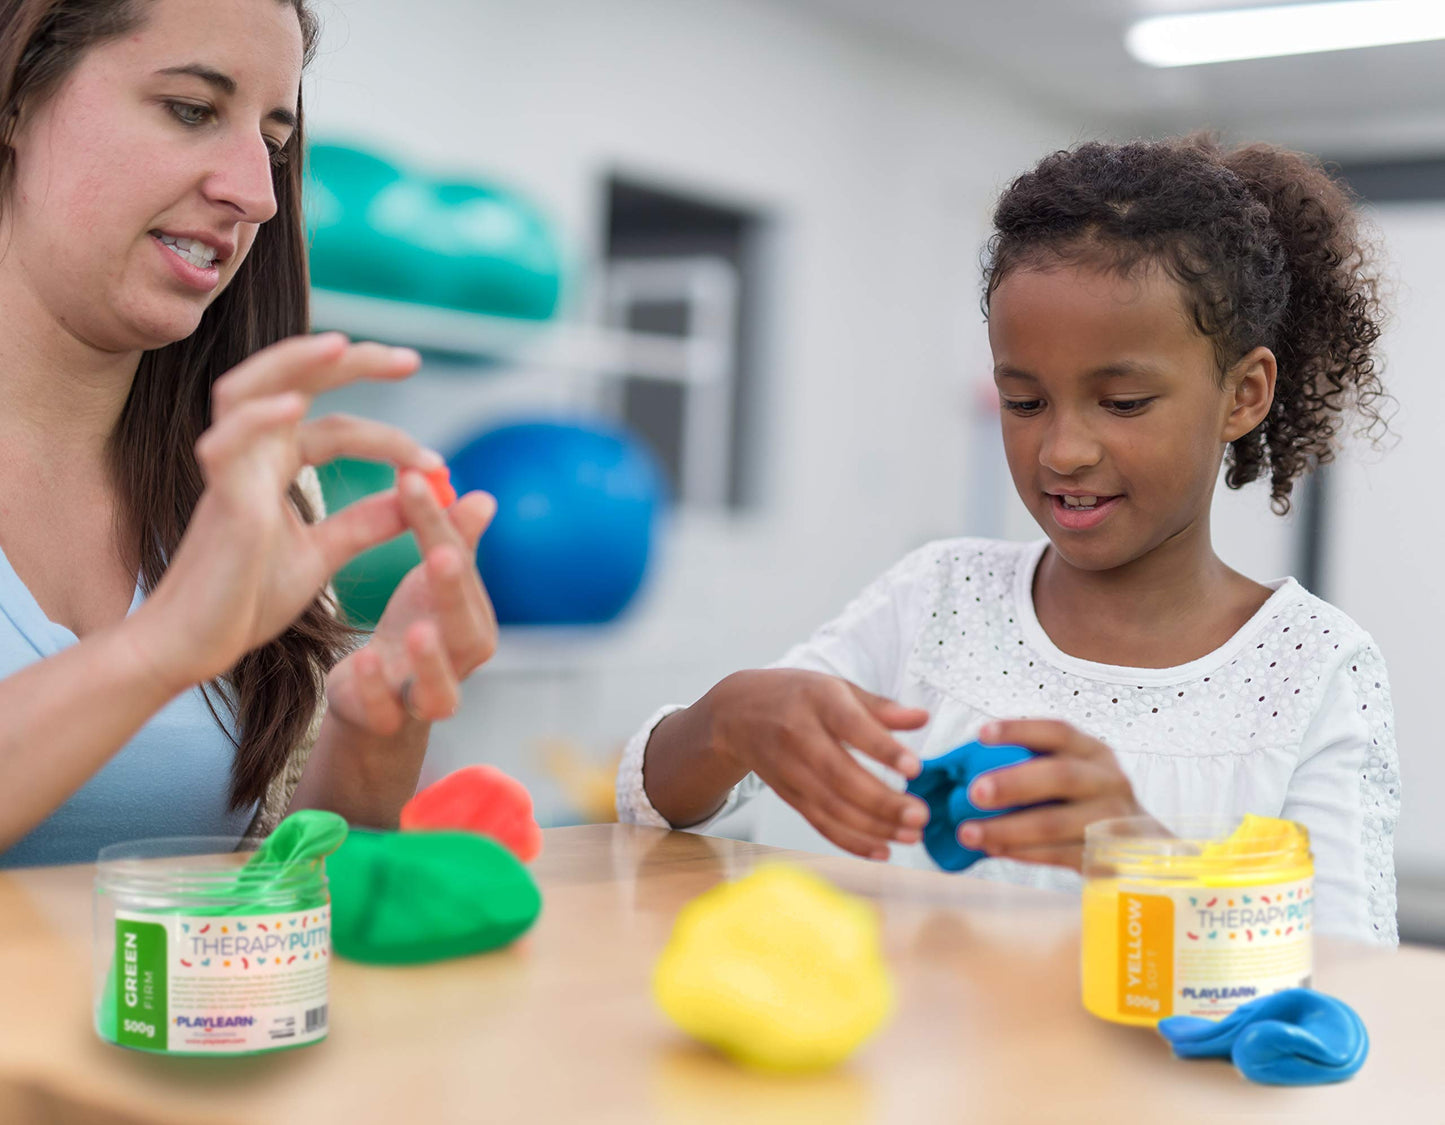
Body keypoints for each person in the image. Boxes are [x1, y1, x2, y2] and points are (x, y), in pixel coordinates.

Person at [620, 136, 1399, 945]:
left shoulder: (1312, 669)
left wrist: (1142, 857)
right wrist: (724, 720)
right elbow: (655, 801)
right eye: (1024, 402)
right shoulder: (937, 599)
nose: (1062, 450)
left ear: (1242, 394)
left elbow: (1354, 981)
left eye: (1123, 401)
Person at [0, 0, 497, 865]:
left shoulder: (257, 488)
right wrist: (159, 648)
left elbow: (273, 886)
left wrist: (372, 729)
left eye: (273, 141)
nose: (258, 194)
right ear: (15, 98)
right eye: (191, 110)